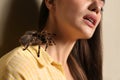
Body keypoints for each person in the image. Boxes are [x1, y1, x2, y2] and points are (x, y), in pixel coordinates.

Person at [0, 0, 105, 80]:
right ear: (50, 1)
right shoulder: (20, 66)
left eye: (102, 4)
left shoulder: (82, 74)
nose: (97, 7)